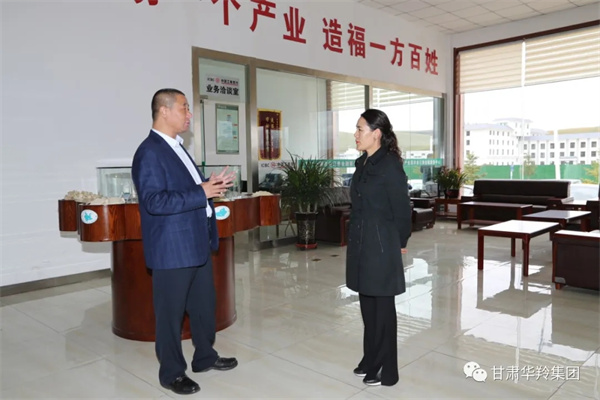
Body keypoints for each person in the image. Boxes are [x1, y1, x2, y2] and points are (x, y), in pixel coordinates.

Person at [132, 88, 238, 395]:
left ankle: (205, 356)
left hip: (196, 244)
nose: (189, 114)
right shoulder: (150, 152)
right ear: (164, 111)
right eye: (184, 108)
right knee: (171, 314)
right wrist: (201, 191)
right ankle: (171, 373)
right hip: (172, 249)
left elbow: (187, 190)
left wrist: (209, 186)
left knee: (204, 306)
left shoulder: (177, 147)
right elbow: (154, 201)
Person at [346, 109, 412, 387]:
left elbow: (402, 211)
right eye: (356, 129)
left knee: (383, 310)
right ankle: (370, 358)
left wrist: (400, 242)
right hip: (361, 244)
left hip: (382, 245)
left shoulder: (390, 166)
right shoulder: (363, 162)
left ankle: (387, 369)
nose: (356, 134)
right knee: (368, 307)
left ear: (376, 134)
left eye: (360, 129)